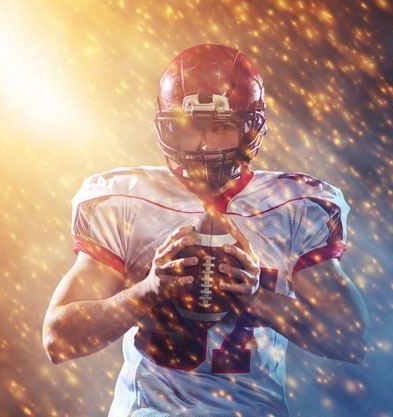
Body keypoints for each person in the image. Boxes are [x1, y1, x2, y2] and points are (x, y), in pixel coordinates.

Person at [42, 44, 370, 417]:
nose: (204, 144)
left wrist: (253, 297)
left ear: (251, 129)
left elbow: (349, 339)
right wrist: (150, 290)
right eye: (189, 128)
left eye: (221, 127)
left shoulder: (293, 207)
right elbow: (58, 339)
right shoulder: (125, 203)